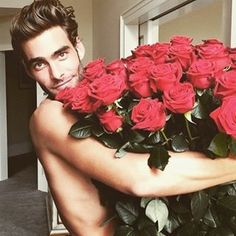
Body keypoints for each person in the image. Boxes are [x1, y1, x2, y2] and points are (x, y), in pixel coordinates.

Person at [10, 0, 236, 235]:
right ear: (28, 71)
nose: (56, 74)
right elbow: (138, 179)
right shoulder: (48, 116)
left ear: (79, 47)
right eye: (39, 64)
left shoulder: (89, 103)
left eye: (61, 54)